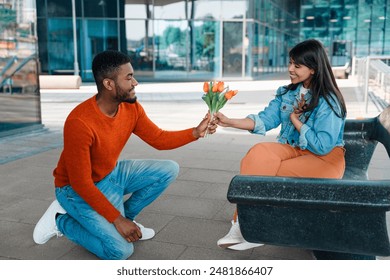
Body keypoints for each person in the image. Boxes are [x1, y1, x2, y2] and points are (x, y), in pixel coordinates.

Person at [33, 50, 216, 260]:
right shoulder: (80, 122)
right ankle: (60, 220)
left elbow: (158, 138)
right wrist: (116, 220)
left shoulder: (131, 108)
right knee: (120, 251)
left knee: (169, 169)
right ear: (109, 84)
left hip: (111, 175)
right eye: (128, 77)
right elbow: (81, 183)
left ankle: (127, 221)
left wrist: (195, 132)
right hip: (74, 189)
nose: (135, 82)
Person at [215, 39, 347, 250]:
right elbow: (264, 120)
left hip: (324, 158)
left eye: (297, 65)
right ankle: (243, 225)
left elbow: (322, 146)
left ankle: (254, 229)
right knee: (257, 155)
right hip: (294, 148)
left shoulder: (329, 101)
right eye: (290, 63)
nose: (290, 69)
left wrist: (296, 121)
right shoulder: (287, 92)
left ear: (313, 69)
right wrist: (230, 121)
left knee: (268, 171)